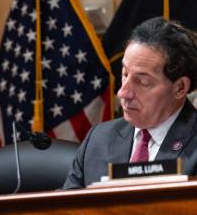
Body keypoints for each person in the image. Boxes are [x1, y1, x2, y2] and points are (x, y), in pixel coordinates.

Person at [63, 17, 197, 189]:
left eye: (142, 82)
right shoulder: (98, 139)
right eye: (125, 74)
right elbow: (63, 211)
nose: (122, 93)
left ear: (180, 88)